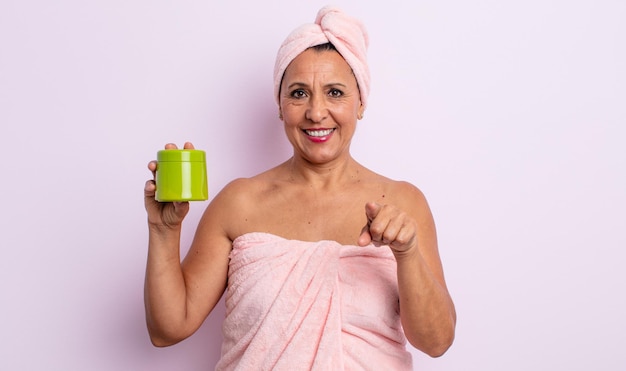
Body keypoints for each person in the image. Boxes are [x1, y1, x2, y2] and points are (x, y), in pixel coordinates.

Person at [143, 6, 456, 370]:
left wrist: (408, 252)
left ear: (360, 104)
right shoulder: (239, 202)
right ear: (280, 105)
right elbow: (168, 329)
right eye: (298, 93)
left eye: (335, 92)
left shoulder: (404, 204)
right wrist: (163, 231)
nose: (316, 112)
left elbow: (436, 343)